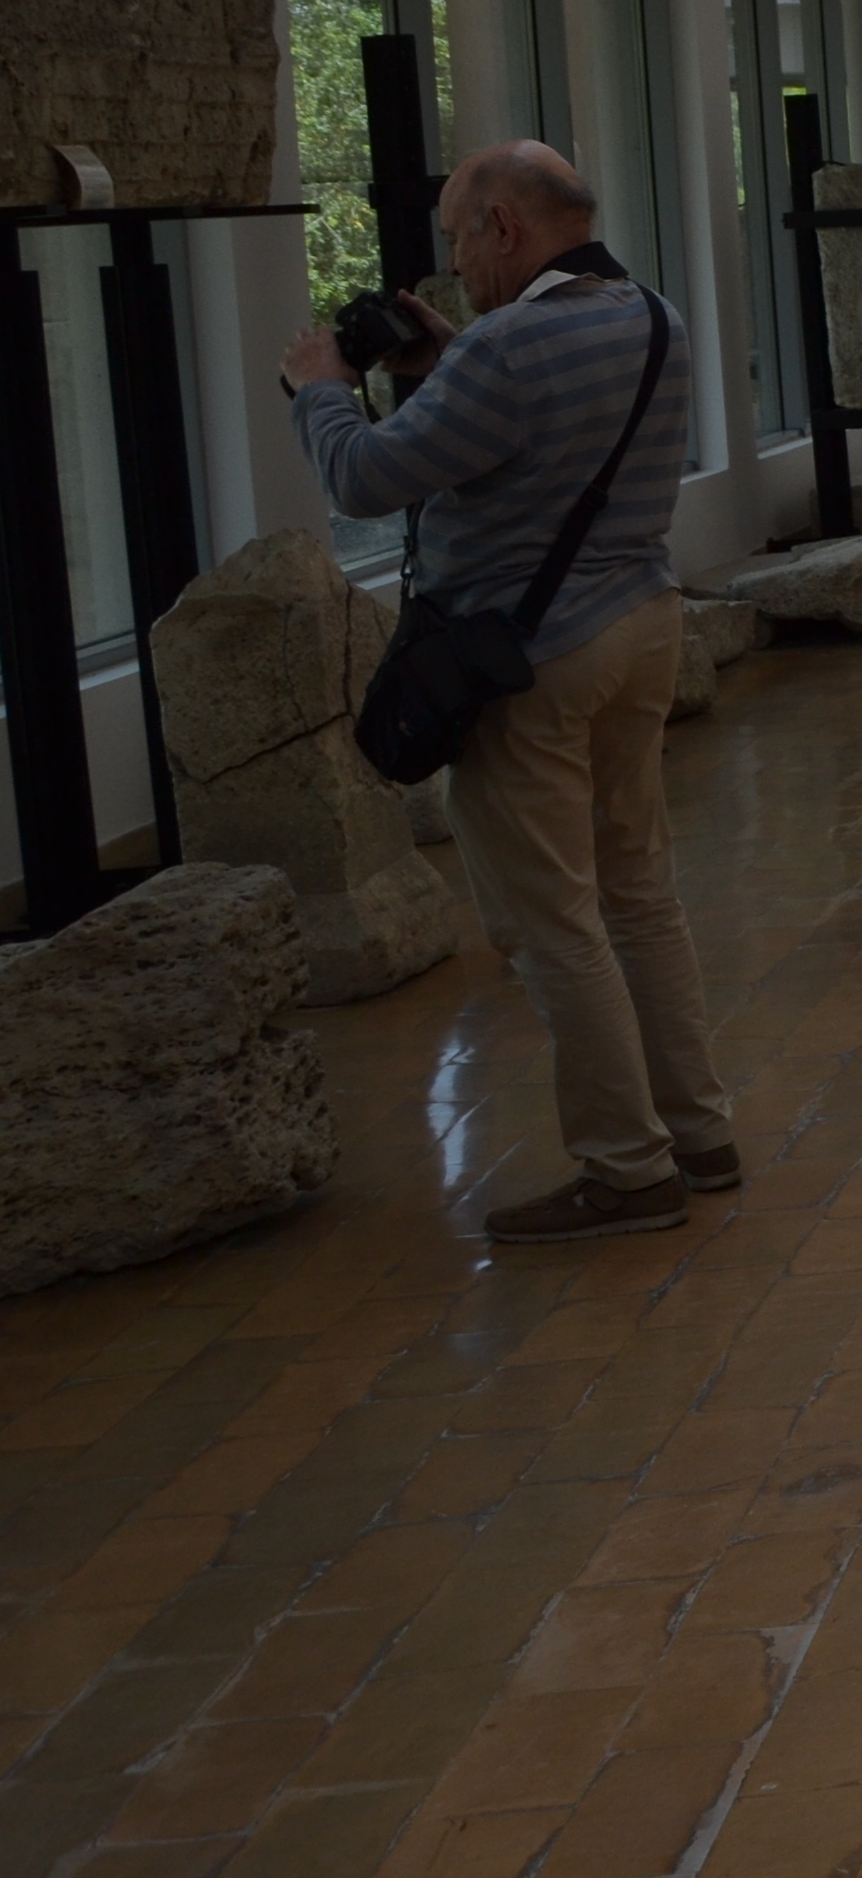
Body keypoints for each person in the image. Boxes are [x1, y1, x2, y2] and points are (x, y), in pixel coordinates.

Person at [279, 142, 723, 1244]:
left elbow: (365, 478)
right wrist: (451, 356)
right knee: (638, 893)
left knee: (547, 920)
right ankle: (697, 1133)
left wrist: (323, 391)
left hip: (533, 660)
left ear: (506, 228)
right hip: (642, 624)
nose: (457, 262)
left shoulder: (508, 347)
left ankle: (628, 1171)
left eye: (458, 237)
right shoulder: (654, 316)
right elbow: (544, 437)